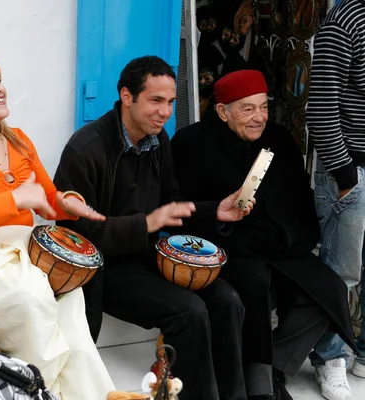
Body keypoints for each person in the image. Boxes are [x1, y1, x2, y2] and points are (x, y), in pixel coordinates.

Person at [53, 55, 253, 400]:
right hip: (103, 270)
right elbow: (74, 237)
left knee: (228, 300)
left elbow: (170, 205)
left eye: (171, 102)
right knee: (189, 311)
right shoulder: (85, 148)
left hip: (148, 258)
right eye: (156, 100)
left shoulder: (159, 142)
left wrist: (215, 211)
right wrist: (144, 224)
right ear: (127, 96)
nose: (166, 111)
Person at [0, 51, 115, 399]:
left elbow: (46, 197)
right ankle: (37, 390)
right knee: (31, 298)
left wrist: (67, 203)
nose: (0, 88)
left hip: (25, 256)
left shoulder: (18, 139)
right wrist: (14, 200)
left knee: (70, 301)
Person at [171, 69, 358, 400]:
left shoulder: (280, 139)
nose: (259, 118)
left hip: (282, 246)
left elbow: (300, 199)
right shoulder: (190, 144)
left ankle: (275, 363)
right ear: (222, 111)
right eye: (248, 109)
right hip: (228, 245)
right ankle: (258, 380)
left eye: (264, 107)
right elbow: (181, 209)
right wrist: (225, 223)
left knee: (329, 290)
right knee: (253, 284)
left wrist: (292, 240)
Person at [306, 0, 365, 399]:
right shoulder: (345, 19)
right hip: (350, 173)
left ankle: (361, 351)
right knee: (340, 274)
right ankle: (329, 359)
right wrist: (346, 176)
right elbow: (321, 108)